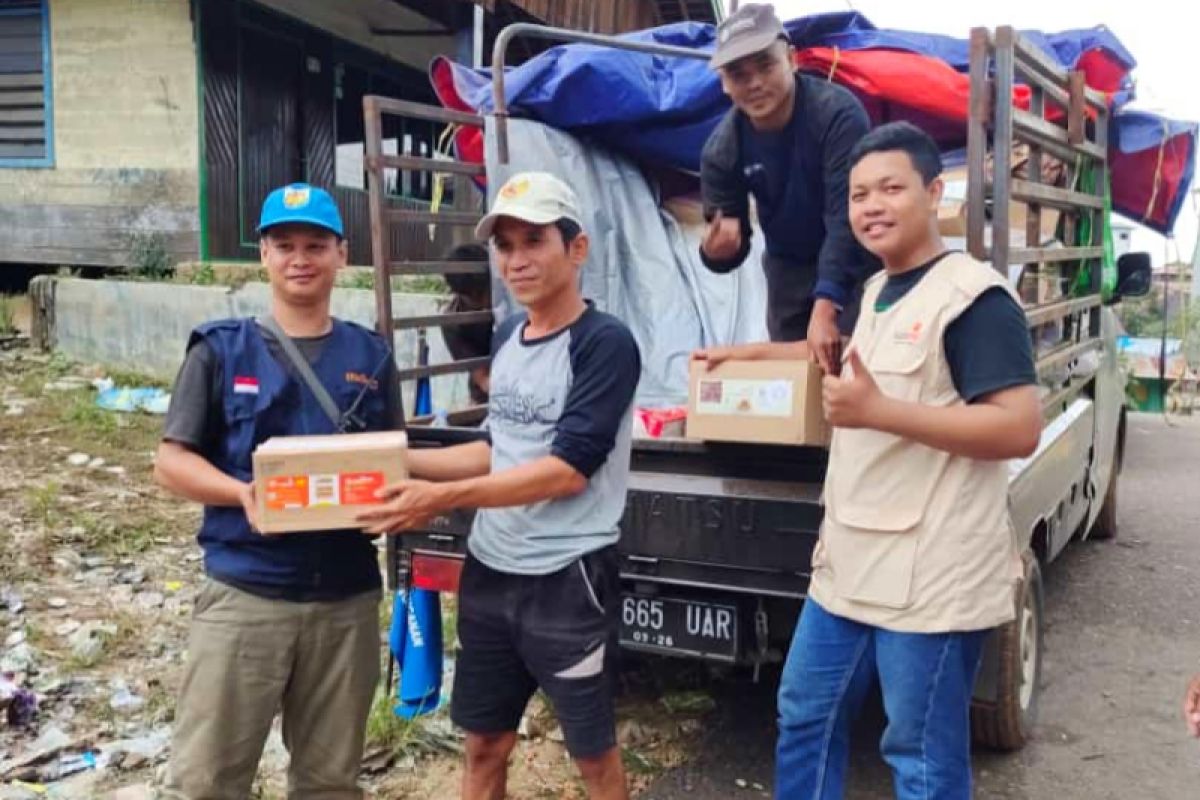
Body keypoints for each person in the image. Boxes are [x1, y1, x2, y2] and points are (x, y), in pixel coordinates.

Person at [696, 122, 1043, 799]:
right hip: (850, 564)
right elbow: (830, 356)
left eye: (891, 188)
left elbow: (1018, 427)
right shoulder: (879, 290)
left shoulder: (973, 298)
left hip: (931, 576)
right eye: (858, 195)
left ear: (934, 192)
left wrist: (881, 413)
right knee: (805, 715)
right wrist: (739, 355)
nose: (872, 206)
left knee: (917, 752)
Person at [358, 171, 642, 800]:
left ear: (576, 249)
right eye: (505, 245)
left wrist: (437, 500)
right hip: (491, 574)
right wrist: (397, 460)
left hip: (567, 582)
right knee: (484, 745)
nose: (517, 260)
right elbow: (497, 450)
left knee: (592, 757)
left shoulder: (605, 344)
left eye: (533, 240)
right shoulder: (511, 337)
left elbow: (567, 472)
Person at [155, 183, 399, 799]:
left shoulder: (370, 356)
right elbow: (171, 462)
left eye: (315, 244)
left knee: (329, 782)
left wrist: (390, 507)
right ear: (262, 254)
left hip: (344, 598)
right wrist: (242, 495)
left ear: (341, 254)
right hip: (245, 596)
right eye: (284, 244)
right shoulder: (219, 349)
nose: (300, 258)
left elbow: (391, 462)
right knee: (207, 780)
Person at [699, 3, 878, 374]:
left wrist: (827, 305)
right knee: (793, 384)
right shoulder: (721, 150)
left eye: (765, 65)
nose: (755, 83)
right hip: (788, 269)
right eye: (738, 74)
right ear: (724, 83)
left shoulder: (837, 115)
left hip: (858, 257)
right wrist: (714, 251)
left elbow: (845, 219)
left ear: (792, 60)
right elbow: (732, 247)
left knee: (857, 366)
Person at [439, 242, 493, 406]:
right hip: (488, 398)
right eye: (476, 298)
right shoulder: (452, 323)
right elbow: (484, 380)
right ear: (459, 294)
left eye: (487, 291)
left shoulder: (513, 297)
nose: (485, 303)